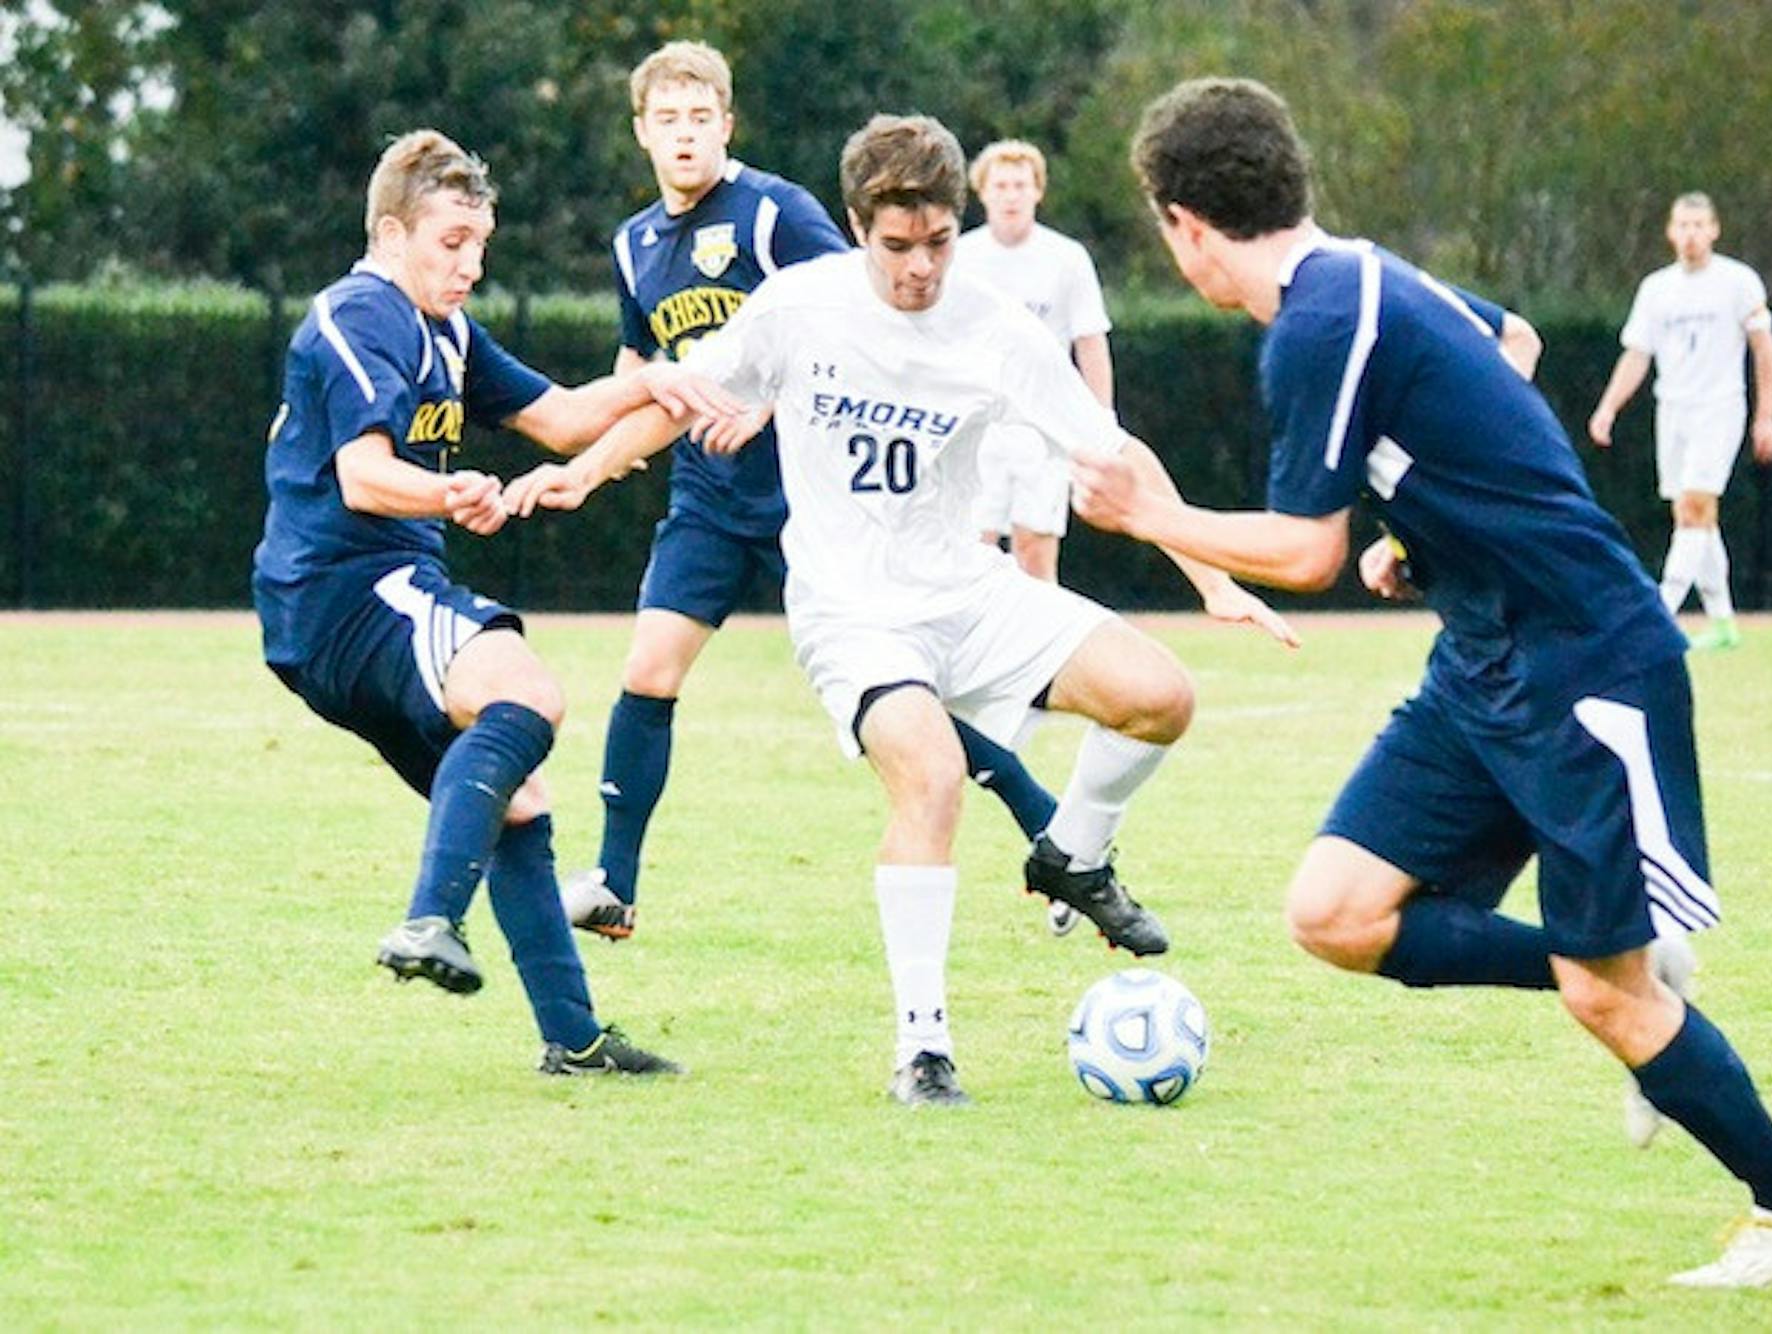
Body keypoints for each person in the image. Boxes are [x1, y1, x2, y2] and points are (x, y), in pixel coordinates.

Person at [1079, 77, 1772, 1286]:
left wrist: (1156, 513)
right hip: (1480, 658)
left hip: (1583, 659)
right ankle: (1610, 957)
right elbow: (1509, 344)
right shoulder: (1360, 272)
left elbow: (1302, 551)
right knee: (1333, 911)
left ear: (1182, 224)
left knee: (1606, 1004)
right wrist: (1425, 526)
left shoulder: (1316, 324)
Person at [506, 112, 1298, 1107]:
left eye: (935, 243)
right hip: (853, 614)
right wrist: (582, 470)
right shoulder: (797, 306)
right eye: (895, 246)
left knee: (1160, 696)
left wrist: (1212, 575)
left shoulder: (994, 328)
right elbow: (678, 398)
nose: (918, 267)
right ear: (854, 225)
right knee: (928, 777)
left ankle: (1071, 855)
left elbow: (1114, 456)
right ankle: (922, 1048)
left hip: (968, 593)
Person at [561, 42, 1063, 942]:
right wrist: (598, 457)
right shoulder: (634, 244)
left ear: (727, 123)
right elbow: (639, 368)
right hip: (709, 500)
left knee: (912, 702)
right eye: (667, 120)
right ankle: (615, 884)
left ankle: (1056, 842)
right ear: (641, 132)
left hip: (820, 500)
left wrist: (764, 403)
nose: (685, 135)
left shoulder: (774, 212)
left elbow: (862, 313)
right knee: (647, 670)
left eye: (700, 117)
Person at [251, 129, 714, 1076]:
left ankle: (574, 1040)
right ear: (391, 233)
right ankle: (430, 920)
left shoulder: (446, 329)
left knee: (519, 798)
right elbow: (367, 478)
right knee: (529, 695)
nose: (469, 265)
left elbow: (559, 418)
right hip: (348, 588)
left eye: (480, 246)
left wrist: (653, 382)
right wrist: (450, 493)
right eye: (451, 242)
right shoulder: (360, 313)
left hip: (356, 601)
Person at [1589, 192, 1772, 651]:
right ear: (1670, 232)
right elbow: (1638, 354)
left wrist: (1766, 415)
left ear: (1714, 229)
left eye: (1700, 225)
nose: (1691, 235)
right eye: (1683, 226)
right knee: (1692, 515)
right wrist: (1609, 407)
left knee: (1695, 506)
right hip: (1672, 410)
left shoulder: (1738, 282)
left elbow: (1764, 348)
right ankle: (1722, 624)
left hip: (1720, 407)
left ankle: (1657, 616)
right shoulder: (1657, 288)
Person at [957, 139, 1114, 583]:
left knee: (1035, 551)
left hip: (1044, 427)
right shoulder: (962, 258)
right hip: (977, 425)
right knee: (972, 549)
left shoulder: (1066, 259)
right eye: (1001, 185)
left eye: (1020, 185)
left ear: (1037, 192)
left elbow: (1090, 342)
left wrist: (1101, 424)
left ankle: (1044, 649)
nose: (1011, 195)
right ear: (983, 192)